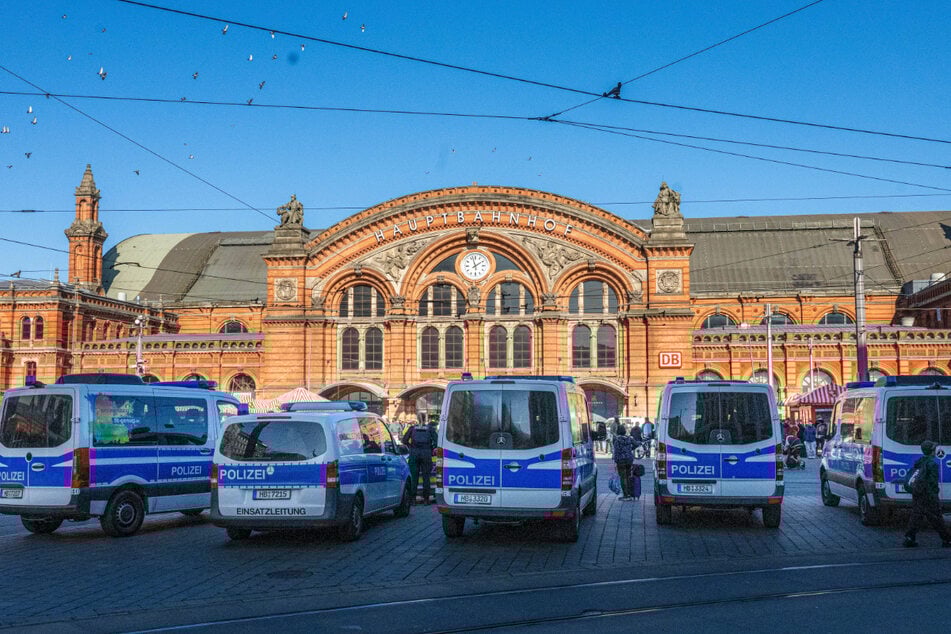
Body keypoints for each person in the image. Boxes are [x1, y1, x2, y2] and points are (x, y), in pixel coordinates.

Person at [903, 440, 951, 548]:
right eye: (934, 449)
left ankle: (909, 538)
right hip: (928, 495)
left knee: (916, 516)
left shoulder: (920, 461)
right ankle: (947, 540)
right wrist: (935, 495)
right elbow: (933, 482)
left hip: (918, 492)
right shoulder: (932, 464)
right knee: (936, 518)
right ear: (931, 451)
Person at [402, 420, 436, 504]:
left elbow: (404, 440)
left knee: (414, 477)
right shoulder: (430, 428)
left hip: (414, 453)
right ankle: (426, 499)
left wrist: (411, 447)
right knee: (426, 477)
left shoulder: (412, 428)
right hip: (426, 453)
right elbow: (437, 441)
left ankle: (413, 499)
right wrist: (431, 448)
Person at [612, 424, 635, 501]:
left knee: (623, 477)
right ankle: (630, 493)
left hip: (621, 460)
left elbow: (616, 451)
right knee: (628, 476)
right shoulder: (629, 438)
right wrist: (630, 449)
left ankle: (625, 495)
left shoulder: (616, 439)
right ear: (624, 431)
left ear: (618, 431)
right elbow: (636, 444)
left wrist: (615, 461)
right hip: (629, 459)